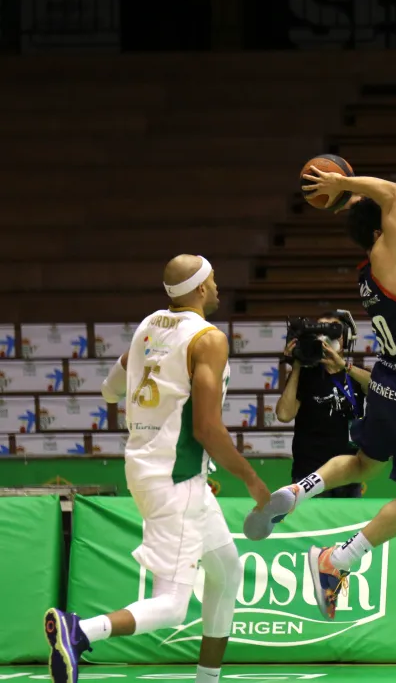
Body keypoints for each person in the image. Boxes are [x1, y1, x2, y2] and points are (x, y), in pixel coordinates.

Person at [44, 255, 270, 683]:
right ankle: (80, 632)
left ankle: (208, 679)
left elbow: (109, 391)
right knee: (171, 604)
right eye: (215, 281)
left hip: (151, 467)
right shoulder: (208, 340)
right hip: (176, 476)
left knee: (227, 569)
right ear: (201, 289)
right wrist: (253, 480)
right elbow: (206, 428)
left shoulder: (148, 325)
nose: (219, 289)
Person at [244, 169, 396, 621]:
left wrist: (356, 200)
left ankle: (299, 490)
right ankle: (337, 561)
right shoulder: (385, 259)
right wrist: (349, 186)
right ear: (382, 233)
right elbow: (395, 193)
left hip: (387, 381)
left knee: (364, 465)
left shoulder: (388, 263)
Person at [276, 312, 372, 498]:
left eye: (333, 331)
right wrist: (296, 365)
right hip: (309, 475)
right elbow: (284, 415)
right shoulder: (304, 376)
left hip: (349, 473)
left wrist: (344, 366)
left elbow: (378, 388)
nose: (326, 338)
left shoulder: (355, 375)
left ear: (346, 338)